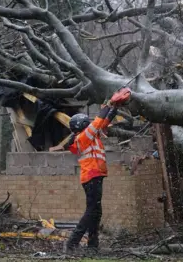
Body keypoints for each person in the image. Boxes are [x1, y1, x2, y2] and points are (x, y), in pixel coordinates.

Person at [49, 88, 131, 253]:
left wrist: (114, 108)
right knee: (92, 210)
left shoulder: (90, 136)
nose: (89, 122)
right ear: (82, 125)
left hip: (95, 176)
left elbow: (103, 123)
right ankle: (72, 243)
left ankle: (93, 245)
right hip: (92, 177)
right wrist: (108, 104)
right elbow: (97, 122)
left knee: (96, 212)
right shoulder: (83, 137)